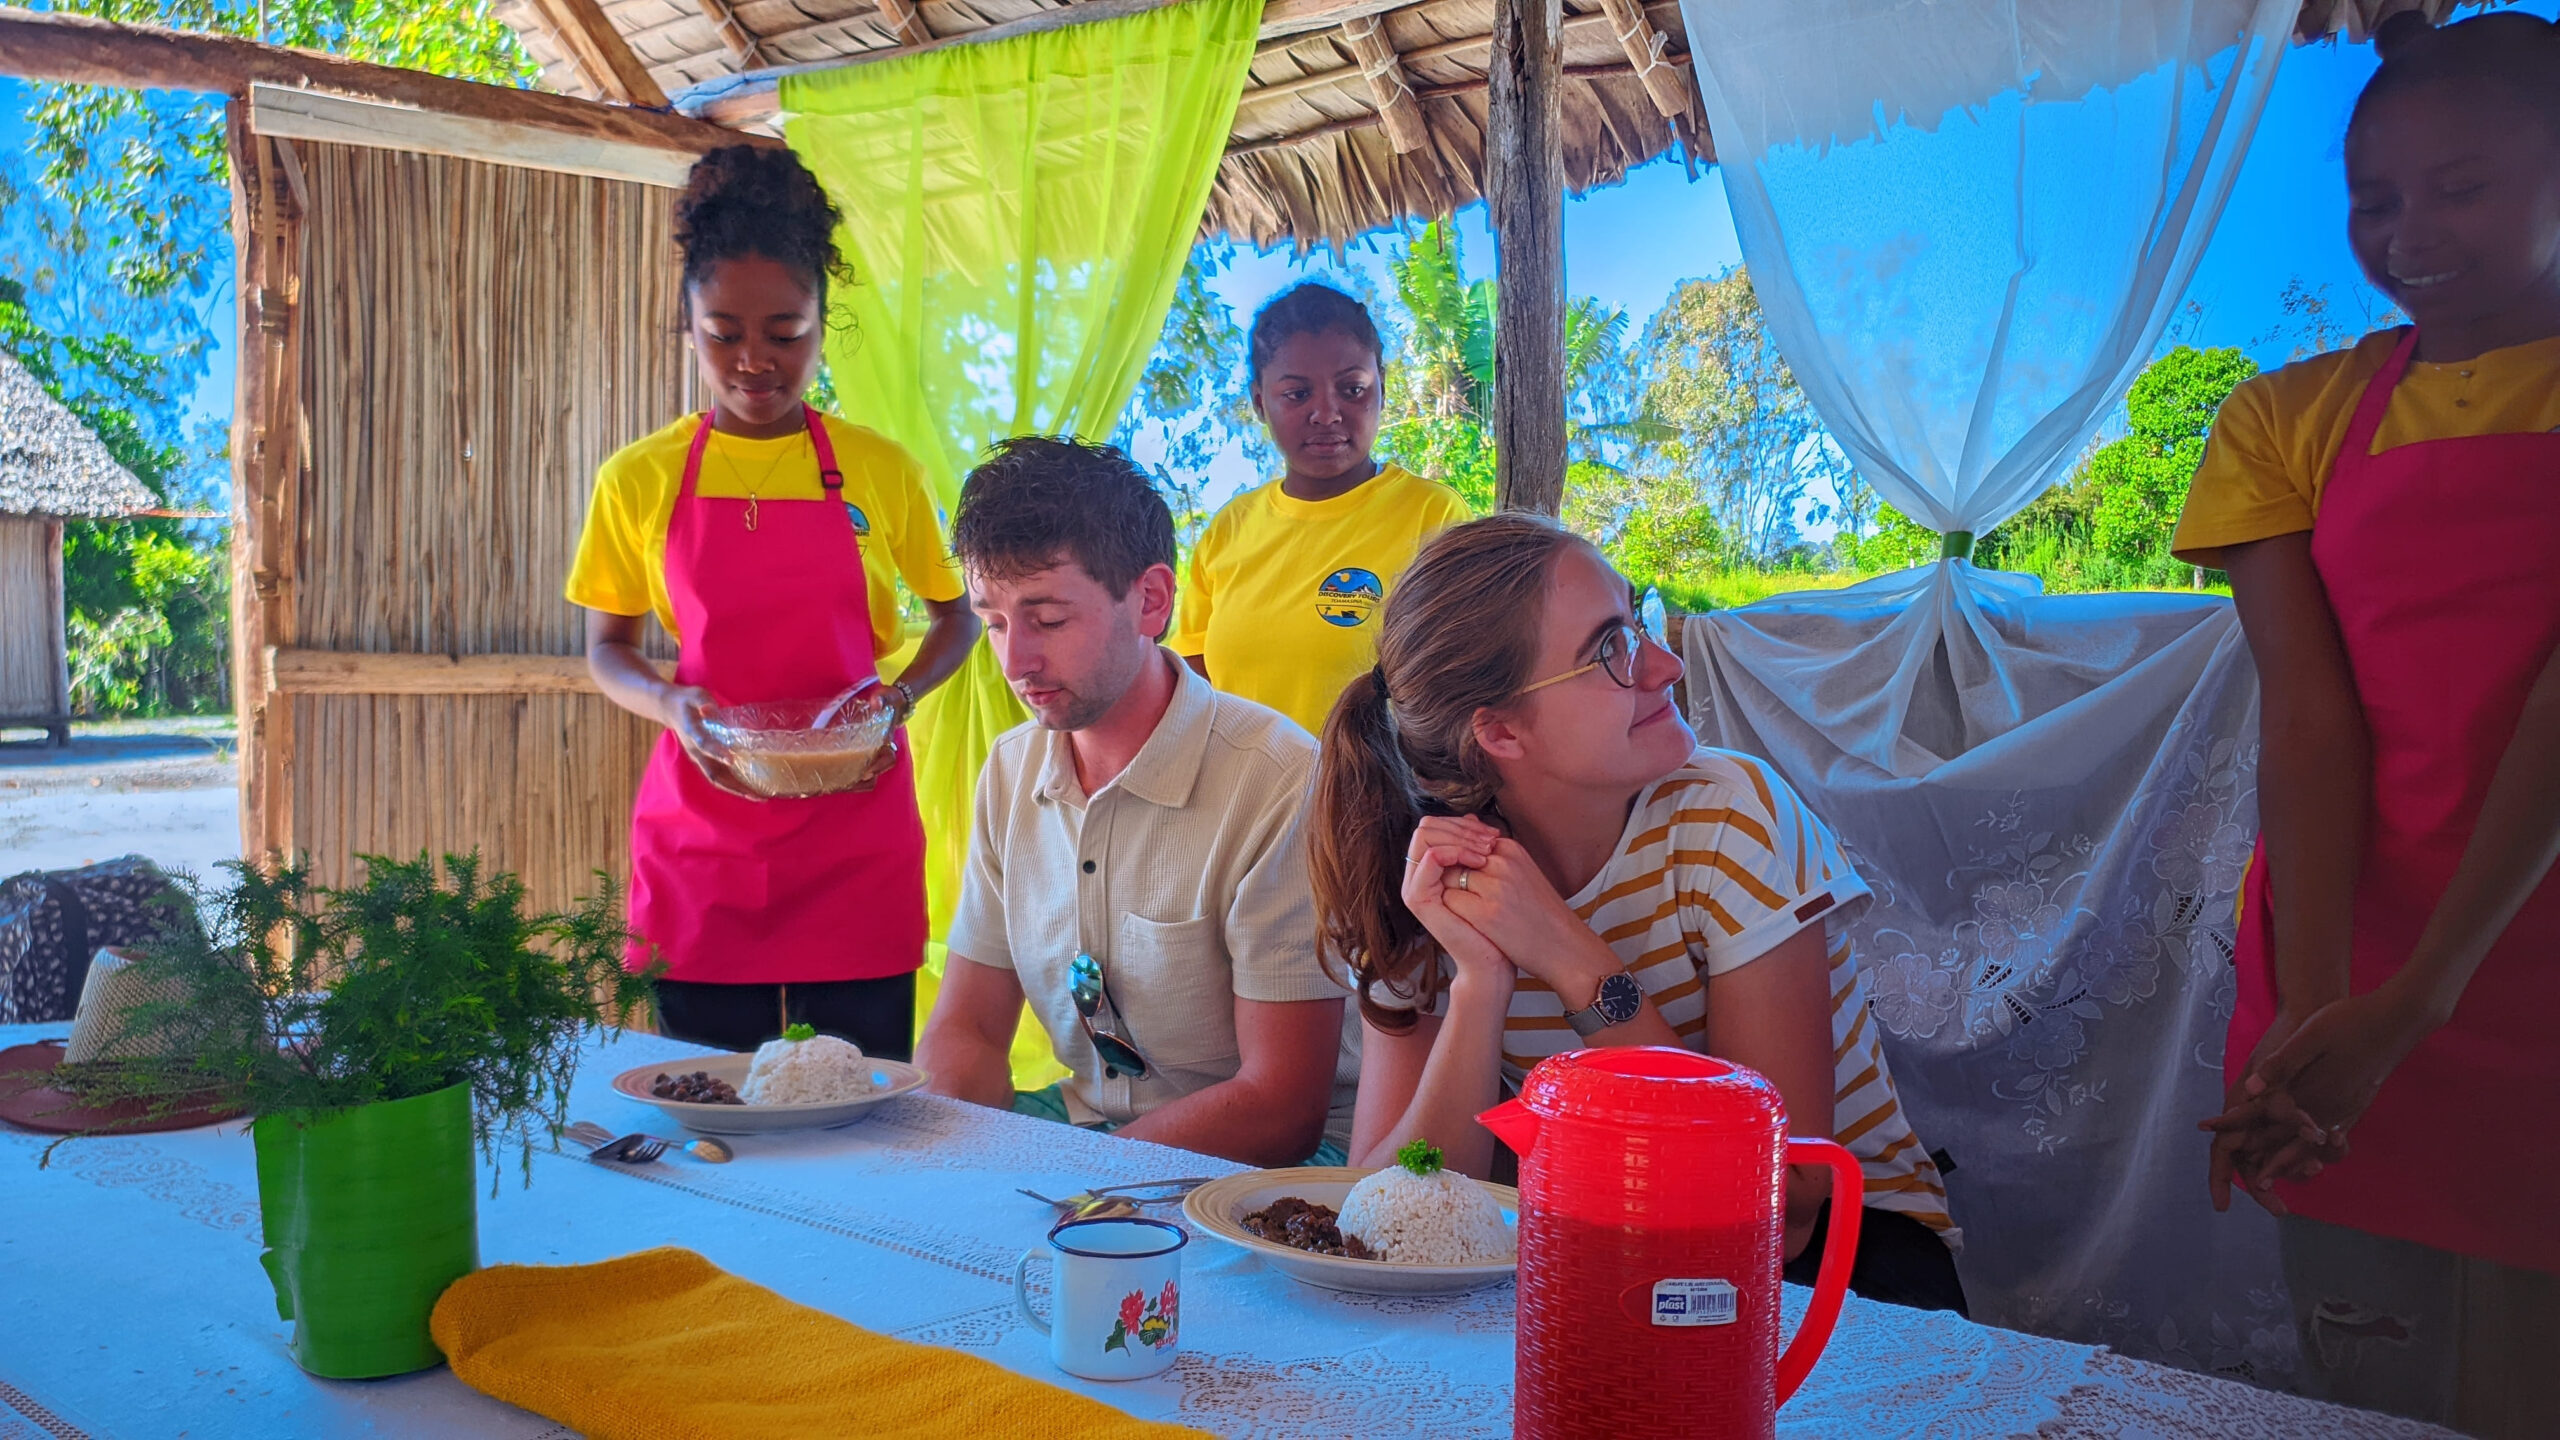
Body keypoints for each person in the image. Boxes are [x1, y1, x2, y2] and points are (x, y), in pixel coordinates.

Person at [2177, 13, 2560, 1434]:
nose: (2409, 232)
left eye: (2463, 186)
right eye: (2375, 199)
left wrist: (2426, 995)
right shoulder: (2290, 416)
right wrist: (2327, 1018)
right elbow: (2313, 724)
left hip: (2512, 960)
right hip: (2356, 935)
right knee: (2376, 1376)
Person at [1307, 514, 1966, 1314]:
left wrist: (1569, 956)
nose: (1666, 663)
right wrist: (1481, 986)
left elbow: (1783, 1206)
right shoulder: (1431, 878)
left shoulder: (1730, 817)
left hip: (1849, 1269)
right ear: (1499, 731)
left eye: (1638, 618)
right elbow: (1389, 1204)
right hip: (1618, 1259)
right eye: (1610, 649)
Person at [567, 146, 981, 1058]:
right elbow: (607, 648)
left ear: (824, 327)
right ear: (687, 328)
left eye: (785, 332)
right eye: (724, 332)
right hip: (702, 837)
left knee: (864, 1104)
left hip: (855, 834)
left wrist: (898, 700)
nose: (755, 360)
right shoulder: (640, 478)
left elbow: (958, 617)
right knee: (708, 1108)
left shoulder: (881, 470)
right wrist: (671, 704)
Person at [913, 436, 1359, 1167]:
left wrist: (1071, 1178)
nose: (1015, 661)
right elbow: (970, 1030)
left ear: (1151, 600)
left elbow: (1282, 1107)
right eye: (993, 622)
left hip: (1267, 1169)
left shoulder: (1277, 779)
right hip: (1090, 1135)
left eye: (1048, 618)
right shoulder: (1011, 769)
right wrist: (943, 1162)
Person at [1171, 283, 1470, 737]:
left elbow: (1460, 685)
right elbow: (1194, 688)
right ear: (1259, 402)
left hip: (1379, 802)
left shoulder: (1433, 516)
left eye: (1352, 389)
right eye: (1296, 394)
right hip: (1245, 803)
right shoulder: (1229, 529)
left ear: (1382, 390)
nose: (1327, 413)